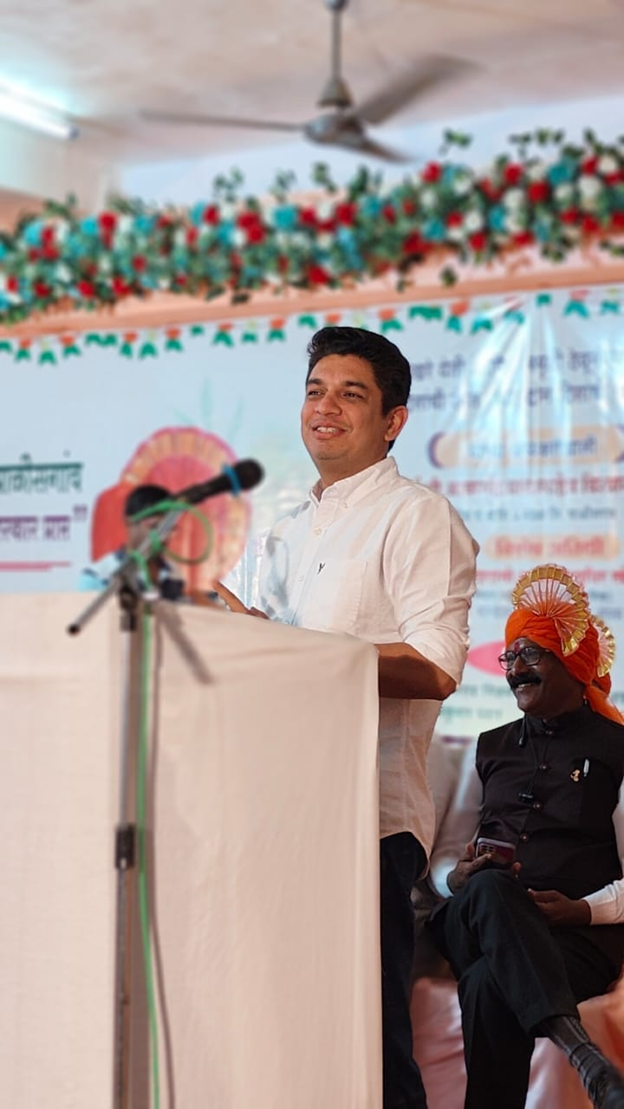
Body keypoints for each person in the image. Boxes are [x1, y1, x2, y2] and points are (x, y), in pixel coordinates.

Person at [218, 326, 478, 1108]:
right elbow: (268, 663)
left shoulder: (418, 517)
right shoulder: (284, 530)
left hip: (367, 824)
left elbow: (436, 667)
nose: (325, 407)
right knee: (286, 1037)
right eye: (315, 390)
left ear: (393, 420)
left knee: (366, 1045)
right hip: (275, 814)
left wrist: (297, 651)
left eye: (350, 393)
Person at [427, 564, 624, 1109]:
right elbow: (447, 853)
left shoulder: (617, 750)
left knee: (488, 985)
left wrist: (582, 910)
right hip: (473, 922)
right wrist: (455, 877)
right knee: (490, 887)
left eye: (531, 655)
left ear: (573, 664)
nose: (515, 669)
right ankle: (585, 1057)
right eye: (509, 657)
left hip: (574, 941)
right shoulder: (489, 746)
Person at [79, 482, 185, 601]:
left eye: (169, 529)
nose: (165, 537)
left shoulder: (173, 573)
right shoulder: (97, 577)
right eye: (155, 527)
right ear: (129, 523)